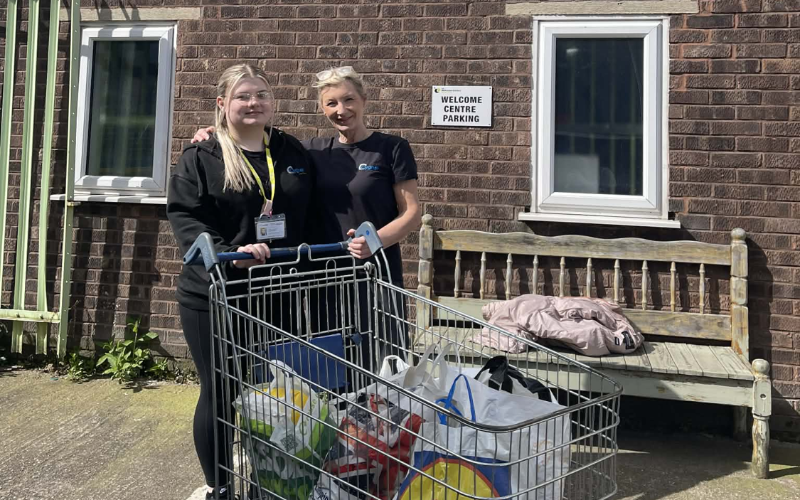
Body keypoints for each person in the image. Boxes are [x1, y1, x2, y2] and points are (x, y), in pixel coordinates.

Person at [191, 65, 422, 370]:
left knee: (385, 366)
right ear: (322, 108)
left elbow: (412, 213)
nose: (341, 110)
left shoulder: (391, 149)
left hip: (374, 274)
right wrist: (215, 135)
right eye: (331, 103)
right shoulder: (310, 151)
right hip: (322, 278)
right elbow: (253, 139)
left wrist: (375, 241)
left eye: (349, 100)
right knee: (333, 370)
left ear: (364, 100)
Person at [168, 63, 315, 500]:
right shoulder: (202, 156)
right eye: (242, 97)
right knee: (222, 387)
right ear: (222, 104)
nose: (253, 104)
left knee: (274, 388)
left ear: (272, 102)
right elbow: (186, 215)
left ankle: (270, 474)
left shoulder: (291, 152)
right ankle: (219, 486)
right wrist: (230, 256)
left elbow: (308, 214)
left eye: (261, 96)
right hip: (216, 294)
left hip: (276, 292)